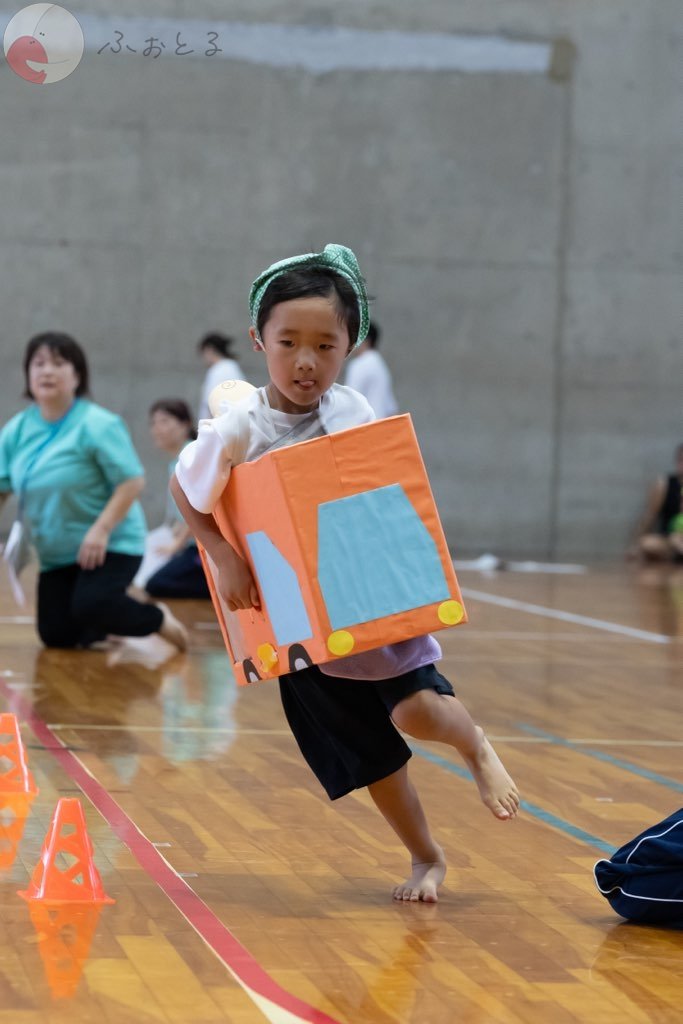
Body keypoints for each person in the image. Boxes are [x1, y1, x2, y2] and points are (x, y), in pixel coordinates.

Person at [171, 244, 519, 903]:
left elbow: (382, 497)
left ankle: (473, 745)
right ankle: (426, 858)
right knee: (371, 756)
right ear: (258, 340)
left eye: (325, 346)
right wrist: (220, 554)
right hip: (297, 618)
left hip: (363, 598)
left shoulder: (352, 413)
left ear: (349, 345)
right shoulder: (239, 427)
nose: (306, 361)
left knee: (416, 710)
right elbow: (186, 489)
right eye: (288, 342)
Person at [0, 332, 187, 650]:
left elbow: (132, 481)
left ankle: (157, 619)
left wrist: (100, 530)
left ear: (77, 375)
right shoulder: (16, 430)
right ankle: (105, 626)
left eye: (58, 363)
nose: (47, 371)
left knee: (92, 604)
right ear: (28, 374)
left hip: (110, 545)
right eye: (39, 363)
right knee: (56, 635)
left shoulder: (99, 424)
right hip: (56, 553)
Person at [143, 399, 210, 599]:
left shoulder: (190, 455)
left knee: (157, 584)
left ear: (185, 424)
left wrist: (177, 544)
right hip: (192, 544)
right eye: (153, 423)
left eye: (164, 421)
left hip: (202, 548)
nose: (157, 429)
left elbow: (201, 504)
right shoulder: (179, 459)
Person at [630, 443, 683, 562]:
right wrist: (634, 546)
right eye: (681, 460)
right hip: (669, 539)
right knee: (647, 544)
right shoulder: (664, 484)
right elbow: (649, 516)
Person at [344, 320, 398, 418]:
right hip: (382, 425)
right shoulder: (379, 363)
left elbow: (350, 400)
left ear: (365, 340)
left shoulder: (359, 364)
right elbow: (390, 407)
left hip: (365, 427)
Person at [197, 332, 244, 420]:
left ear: (209, 349)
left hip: (219, 425)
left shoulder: (220, 369)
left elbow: (212, 402)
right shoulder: (230, 367)